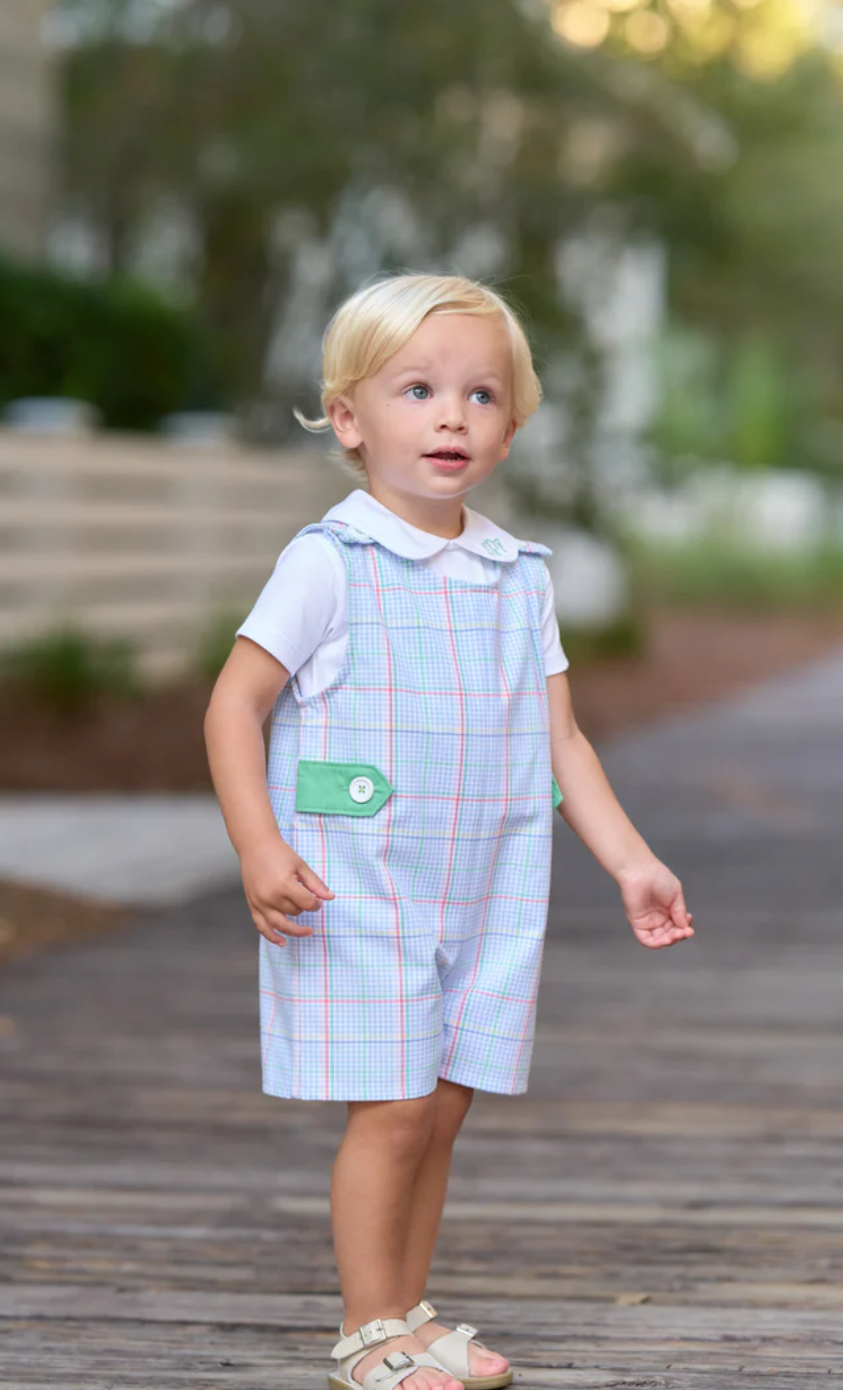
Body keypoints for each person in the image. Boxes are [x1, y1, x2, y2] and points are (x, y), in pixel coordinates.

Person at [204, 273, 694, 1390]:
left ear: (509, 429)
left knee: (440, 1103)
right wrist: (255, 844)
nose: (448, 416)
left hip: (484, 890)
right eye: (416, 389)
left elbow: (559, 744)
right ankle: (365, 1330)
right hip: (355, 881)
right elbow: (234, 704)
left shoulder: (516, 579)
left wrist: (629, 860)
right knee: (391, 1106)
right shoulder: (329, 562)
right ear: (348, 418)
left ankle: (408, 1308)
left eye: (480, 396)